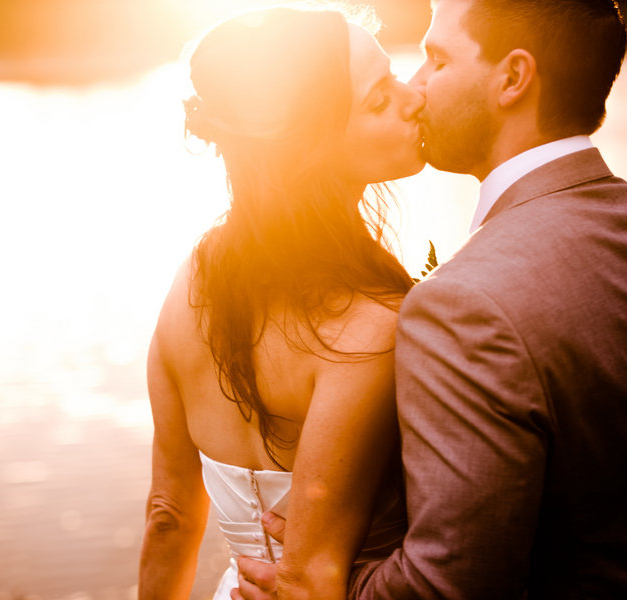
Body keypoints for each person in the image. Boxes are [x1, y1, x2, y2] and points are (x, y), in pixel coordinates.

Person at [235, 0, 627, 598]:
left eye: (437, 61)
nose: (415, 89)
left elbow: (448, 587)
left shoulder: (463, 303)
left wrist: (332, 582)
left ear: (513, 79)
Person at [137, 5, 429, 599]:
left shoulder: (188, 282)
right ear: (314, 149)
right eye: (378, 100)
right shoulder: (372, 328)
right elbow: (312, 576)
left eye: (395, 74)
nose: (414, 98)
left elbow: (168, 514)